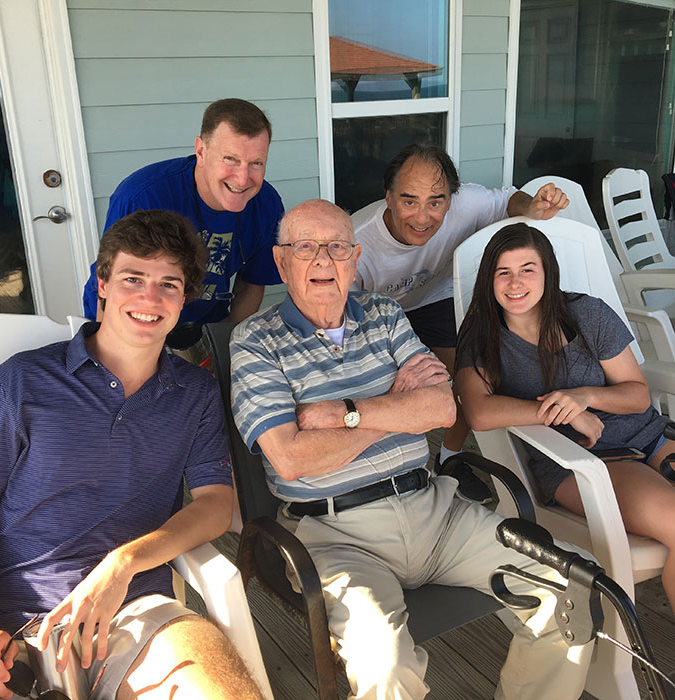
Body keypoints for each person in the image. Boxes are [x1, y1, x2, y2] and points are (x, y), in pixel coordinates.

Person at [230, 199, 594, 700]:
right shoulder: (256, 341)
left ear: (355, 257)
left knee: (570, 582)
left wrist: (344, 413)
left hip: (437, 514)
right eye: (305, 248)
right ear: (280, 261)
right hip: (337, 535)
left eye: (336, 247)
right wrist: (396, 404)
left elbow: (443, 409)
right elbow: (292, 457)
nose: (322, 260)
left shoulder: (384, 314)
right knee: (385, 663)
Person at [0, 210, 264, 700]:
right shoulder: (22, 381)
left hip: (135, 611)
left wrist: (124, 562)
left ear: (184, 300)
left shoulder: (194, 392)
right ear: (103, 283)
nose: (150, 298)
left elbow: (216, 503)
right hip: (10, 623)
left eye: (169, 284)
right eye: (134, 278)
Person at [455, 221, 675, 610]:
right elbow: (479, 412)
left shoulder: (587, 314)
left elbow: (637, 396)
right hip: (581, 463)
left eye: (527, 269)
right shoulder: (483, 335)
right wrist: (562, 414)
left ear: (547, 273)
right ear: (489, 279)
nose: (514, 282)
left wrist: (583, 397)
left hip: (649, 437)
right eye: (502, 272)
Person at [351, 144, 568, 502]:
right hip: (374, 312)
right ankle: (379, 470)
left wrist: (530, 207)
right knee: (376, 387)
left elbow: (507, 200)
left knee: (476, 374)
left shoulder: (467, 201)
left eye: (435, 202)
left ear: (451, 199)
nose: (422, 217)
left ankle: (450, 459)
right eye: (409, 201)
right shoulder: (357, 241)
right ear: (388, 197)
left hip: (433, 299)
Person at [82, 98, 284, 331]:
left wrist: (229, 340)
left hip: (205, 319)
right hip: (132, 316)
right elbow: (114, 283)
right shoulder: (144, 196)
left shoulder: (266, 204)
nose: (242, 178)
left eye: (256, 163)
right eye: (230, 159)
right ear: (201, 151)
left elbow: (253, 279)